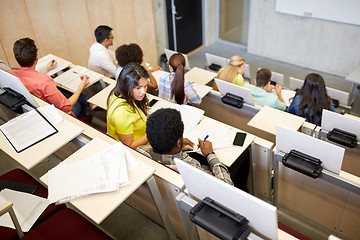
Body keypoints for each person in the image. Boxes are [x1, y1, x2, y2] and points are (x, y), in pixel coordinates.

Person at [137, 108, 233, 185]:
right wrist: (210, 154)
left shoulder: (140, 151)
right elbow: (227, 187)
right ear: (179, 141)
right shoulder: (193, 171)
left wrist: (176, 150)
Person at [9, 37, 90, 117]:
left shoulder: (11, 75)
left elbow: (28, 74)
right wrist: (81, 86)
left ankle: (88, 105)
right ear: (36, 57)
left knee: (63, 91)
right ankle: (87, 115)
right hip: (56, 115)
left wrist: (46, 69)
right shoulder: (45, 81)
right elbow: (66, 108)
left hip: (36, 112)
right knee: (78, 103)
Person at [106, 63, 149, 149]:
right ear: (127, 86)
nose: (143, 92)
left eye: (145, 86)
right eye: (138, 88)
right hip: (139, 150)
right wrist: (153, 134)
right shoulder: (122, 113)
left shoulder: (117, 93)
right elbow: (129, 146)